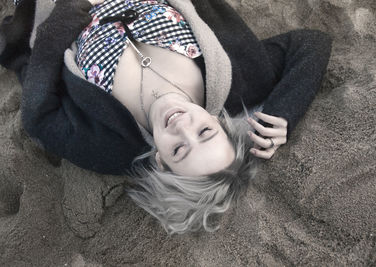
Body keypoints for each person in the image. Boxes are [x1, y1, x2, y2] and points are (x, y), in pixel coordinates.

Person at [0, 0, 332, 234]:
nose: (182, 126)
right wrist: (282, 112)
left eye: (178, 150)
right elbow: (310, 43)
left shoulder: (111, 147)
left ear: (160, 162)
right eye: (204, 132)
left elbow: (37, 120)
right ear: (219, 122)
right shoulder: (239, 79)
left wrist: (53, 33)